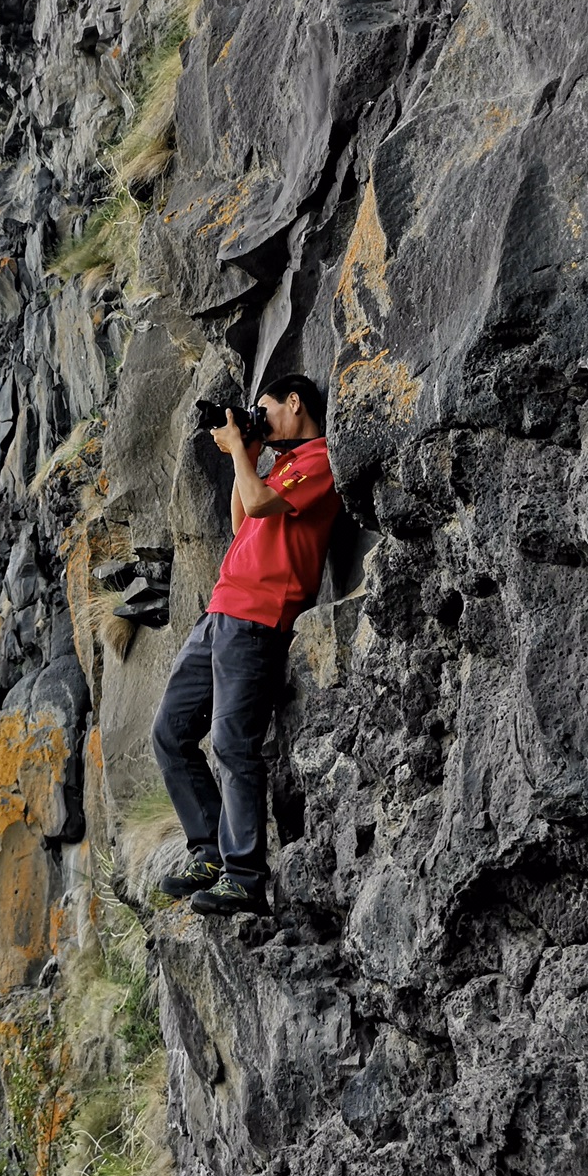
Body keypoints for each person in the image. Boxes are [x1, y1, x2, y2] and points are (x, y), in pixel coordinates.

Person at [151, 373, 340, 918]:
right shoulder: (279, 466)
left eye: (266, 411)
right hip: (220, 613)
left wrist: (239, 450)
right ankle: (208, 851)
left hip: (258, 620)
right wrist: (249, 454)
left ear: (295, 403)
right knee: (171, 733)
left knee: (233, 745)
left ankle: (244, 878)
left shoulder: (319, 459)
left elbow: (258, 506)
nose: (260, 421)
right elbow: (242, 520)